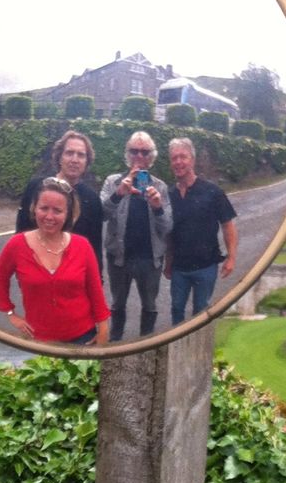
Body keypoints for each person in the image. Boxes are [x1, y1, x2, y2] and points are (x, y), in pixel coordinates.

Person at [0, 176, 110, 346]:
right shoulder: (17, 245)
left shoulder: (82, 245)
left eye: (57, 211)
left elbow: (95, 290)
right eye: (44, 208)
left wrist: (103, 329)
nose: (49, 216)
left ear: (68, 214)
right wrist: (10, 312)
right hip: (39, 340)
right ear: (34, 208)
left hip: (84, 336)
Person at [99, 131, 172, 340]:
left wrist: (157, 207)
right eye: (134, 151)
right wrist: (119, 194)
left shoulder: (160, 187)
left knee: (149, 305)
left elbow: (167, 227)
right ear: (127, 154)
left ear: (152, 157)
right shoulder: (113, 182)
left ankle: (145, 344)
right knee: (117, 304)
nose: (139, 156)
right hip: (119, 258)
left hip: (150, 259)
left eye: (145, 152)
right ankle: (115, 343)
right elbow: (101, 214)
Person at [163, 137, 238, 324]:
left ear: (193, 160)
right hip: (179, 268)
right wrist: (168, 262)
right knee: (176, 310)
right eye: (174, 158)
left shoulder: (212, 192)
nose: (178, 162)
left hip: (206, 266)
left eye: (183, 157)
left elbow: (228, 225)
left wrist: (231, 257)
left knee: (201, 313)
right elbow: (169, 233)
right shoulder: (169, 195)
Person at [15, 130, 103, 269]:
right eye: (69, 153)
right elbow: (22, 231)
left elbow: (95, 246)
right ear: (60, 157)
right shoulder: (36, 187)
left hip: (75, 274)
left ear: (87, 161)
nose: (74, 160)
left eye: (81, 155)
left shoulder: (92, 199)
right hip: (38, 270)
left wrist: (97, 278)